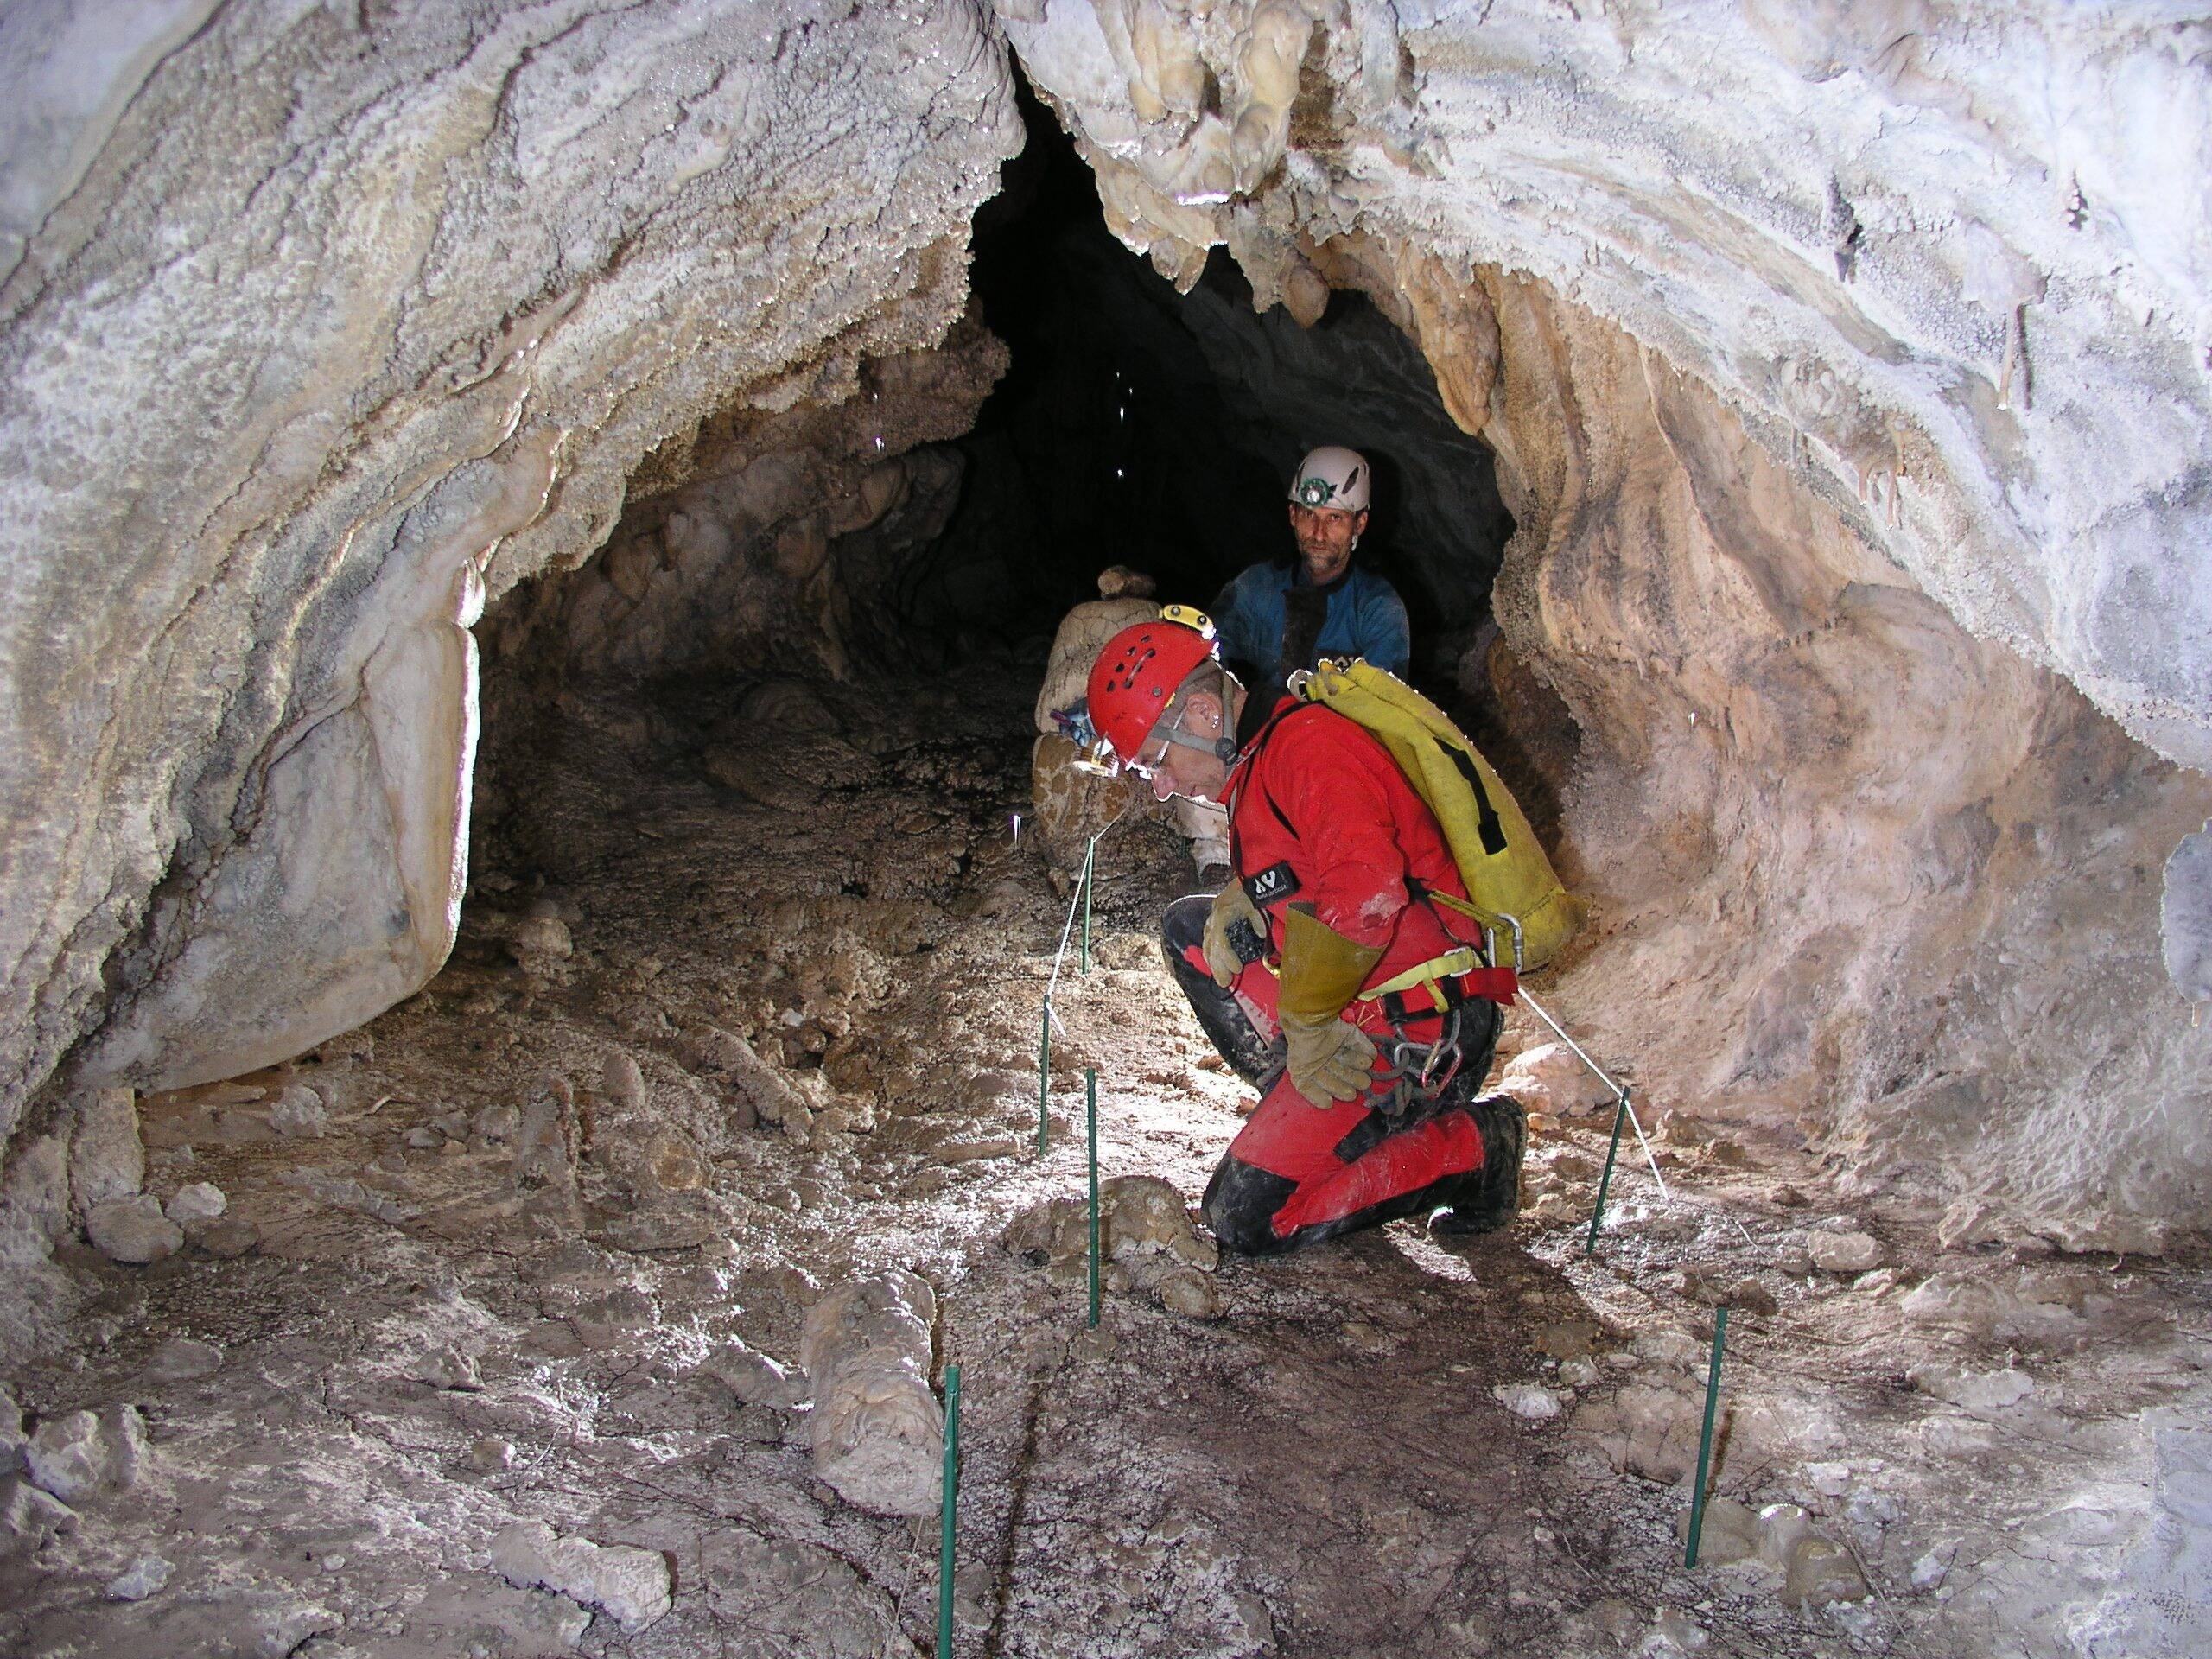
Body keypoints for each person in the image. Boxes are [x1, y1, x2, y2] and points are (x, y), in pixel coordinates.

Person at [1083, 611, 1523, 1255]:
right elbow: (1312, 862)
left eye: (1157, 761)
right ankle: (1311, 1107)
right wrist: (1248, 889)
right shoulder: (1261, 758)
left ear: (1206, 714)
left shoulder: (1307, 745)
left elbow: (1369, 892)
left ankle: (1478, 1149)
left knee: (1246, 1219)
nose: (1163, 786)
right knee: (1192, 929)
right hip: (1363, 998)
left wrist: (1311, 1021)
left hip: (1425, 1027)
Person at [1032, 567, 1231, 884]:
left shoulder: (1143, 620)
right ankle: (1074, 856)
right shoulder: (1083, 619)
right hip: (1108, 724)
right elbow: (1054, 697)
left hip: (1148, 722)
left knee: (1187, 758)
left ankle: (1215, 851)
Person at [1210, 445, 1412, 706]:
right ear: (1293, 515)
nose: (1318, 533)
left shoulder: (1377, 608)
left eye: (1335, 518)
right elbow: (1207, 654)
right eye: (1309, 515)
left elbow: (1382, 705)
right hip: (1256, 735)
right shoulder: (1255, 589)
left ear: (1359, 524)